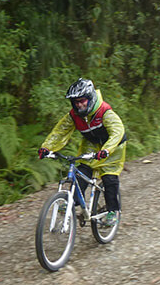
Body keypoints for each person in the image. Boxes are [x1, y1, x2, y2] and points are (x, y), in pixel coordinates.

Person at [38, 78, 127, 225]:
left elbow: (117, 131)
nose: (79, 104)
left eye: (82, 101)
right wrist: (46, 147)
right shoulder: (74, 115)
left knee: (109, 178)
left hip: (113, 146)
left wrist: (106, 149)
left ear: (90, 98)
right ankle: (72, 203)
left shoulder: (104, 112)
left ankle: (113, 211)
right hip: (91, 144)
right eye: (75, 102)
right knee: (82, 171)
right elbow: (60, 131)